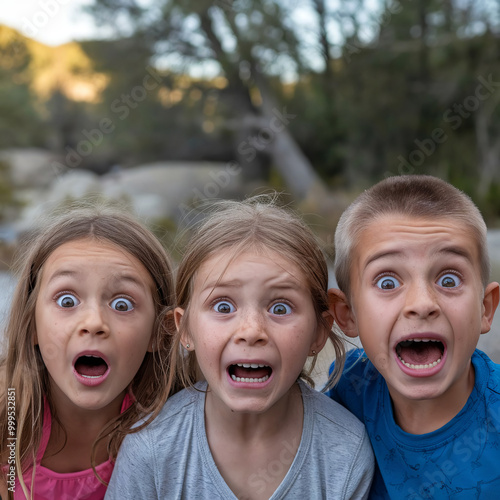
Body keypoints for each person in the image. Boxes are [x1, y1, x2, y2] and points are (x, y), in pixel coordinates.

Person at [105, 195, 375, 500]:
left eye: (281, 308)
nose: (251, 331)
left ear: (318, 333)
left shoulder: (346, 450)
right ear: (185, 329)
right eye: (222, 306)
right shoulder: (151, 450)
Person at [327, 175, 500, 499]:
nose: (422, 304)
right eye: (388, 283)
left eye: (449, 280)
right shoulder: (350, 389)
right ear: (347, 314)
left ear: (485, 309)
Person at [0, 203, 175, 500]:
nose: (94, 323)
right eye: (67, 301)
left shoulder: (170, 426)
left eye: (122, 304)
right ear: (31, 326)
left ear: (159, 332)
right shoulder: (9, 410)